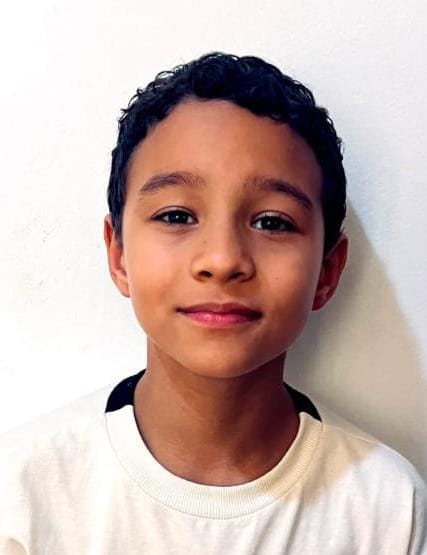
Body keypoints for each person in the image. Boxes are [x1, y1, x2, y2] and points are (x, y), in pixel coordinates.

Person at [0, 51, 426, 554]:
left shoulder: (386, 509)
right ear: (119, 255)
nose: (222, 260)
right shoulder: (24, 493)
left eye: (272, 222)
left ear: (327, 272)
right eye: (177, 216)